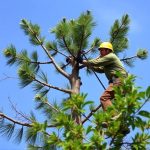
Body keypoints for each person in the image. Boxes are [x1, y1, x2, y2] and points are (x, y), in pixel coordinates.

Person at [81, 42, 128, 112]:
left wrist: (82, 61)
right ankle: (116, 120)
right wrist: (87, 64)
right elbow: (100, 69)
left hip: (118, 80)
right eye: (100, 50)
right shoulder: (108, 62)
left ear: (108, 50)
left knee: (104, 98)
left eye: (102, 50)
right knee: (116, 103)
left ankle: (111, 118)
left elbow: (96, 63)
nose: (100, 52)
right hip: (121, 82)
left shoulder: (111, 56)